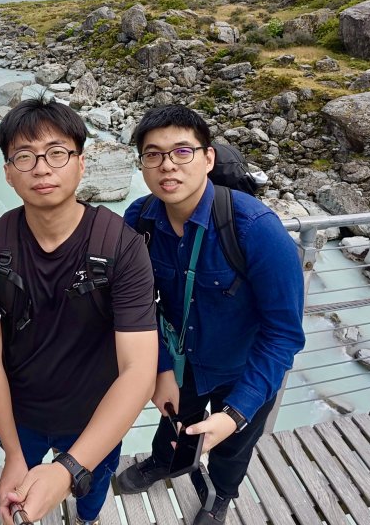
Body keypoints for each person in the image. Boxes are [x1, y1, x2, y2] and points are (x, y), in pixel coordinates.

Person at [0, 96, 158, 525]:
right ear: (8, 173)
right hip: (21, 417)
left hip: (96, 418)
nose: (42, 167)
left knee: (91, 491)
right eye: (25, 156)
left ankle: (87, 518)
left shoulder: (120, 246)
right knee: (20, 492)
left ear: (81, 163)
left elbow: (139, 370)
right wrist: (13, 453)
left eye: (56, 153)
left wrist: (70, 468)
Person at [114, 105, 306, 524]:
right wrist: (161, 369)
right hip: (181, 362)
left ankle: (221, 495)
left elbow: (284, 334)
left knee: (233, 442)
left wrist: (236, 413)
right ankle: (166, 462)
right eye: (153, 154)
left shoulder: (256, 229)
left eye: (182, 152)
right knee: (173, 424)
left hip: (243, 369)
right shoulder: (140, 220)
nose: (168, 165)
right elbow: (138, 303)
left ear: (208, 158)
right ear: (142, 164)